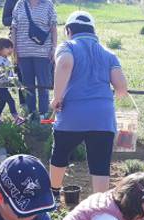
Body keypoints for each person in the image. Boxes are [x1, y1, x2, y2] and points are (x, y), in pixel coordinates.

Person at [49, 11, 129, 199]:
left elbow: (65, 64)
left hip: (72, 115)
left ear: (68, 30)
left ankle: (53, 195)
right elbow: (121, 87)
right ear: (93, 31)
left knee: (60, 155)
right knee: (100, 165)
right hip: (102, 117)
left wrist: (56, 98)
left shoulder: (67, 46)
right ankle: (98, 206)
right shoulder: (109, 53)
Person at [11, 0, 58, 120]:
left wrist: (54, 48)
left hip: (43, 54)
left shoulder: (48, 5)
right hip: (23, 53)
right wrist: (14, 48)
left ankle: (44, 115)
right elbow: (14, 27)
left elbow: (53, 28)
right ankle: (31, 114)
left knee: (43, 85)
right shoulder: (20, 4)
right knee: (28, 86)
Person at [0, 37, 24, 125]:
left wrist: (14, 79)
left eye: (11, 48)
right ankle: (16, 118)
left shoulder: (5, 59)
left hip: (3, 86)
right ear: (0, 49)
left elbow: (10, 72)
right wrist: (11, 79)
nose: (11, 50)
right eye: (8, 48)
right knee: (11, 101)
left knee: (2, 102)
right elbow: (0, 74)